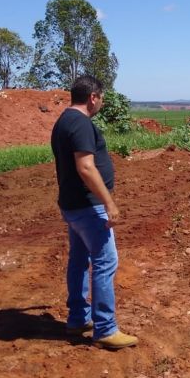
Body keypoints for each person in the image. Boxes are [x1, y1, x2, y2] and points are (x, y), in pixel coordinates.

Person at [51, 75, 138, 350]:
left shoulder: (64, 120)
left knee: (78, 260)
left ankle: (78, 319)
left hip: (73, 205)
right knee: (105, 261)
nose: (101, 102)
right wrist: (109, 202)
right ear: (93, 97)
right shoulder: (81, 123)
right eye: (101, 98)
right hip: (89, 207)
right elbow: (86, 167)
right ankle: (105, 329)